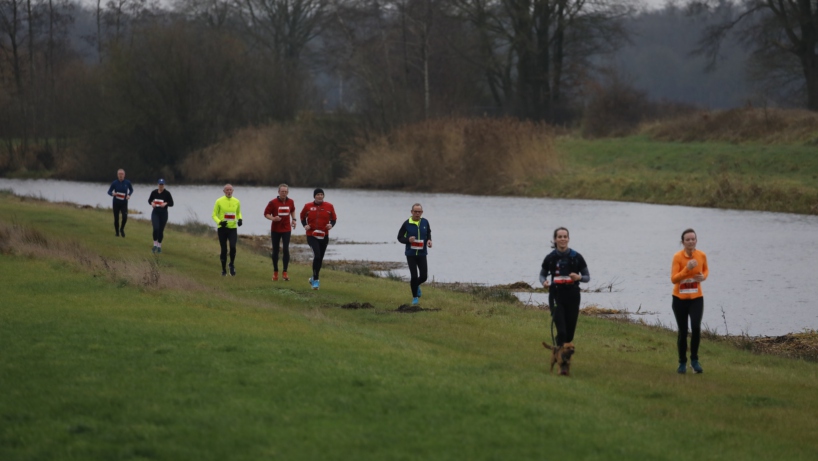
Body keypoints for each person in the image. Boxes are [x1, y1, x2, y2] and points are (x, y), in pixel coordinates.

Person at [539, 227, 590, 348]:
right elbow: (542, 275)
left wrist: (578, 278)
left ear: (568, 239)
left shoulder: (577, 257)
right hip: (556, 296)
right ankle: (562, 357)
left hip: (573, 295)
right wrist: (544, 283)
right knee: (561, 331)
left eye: (565, 237)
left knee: (569, 334)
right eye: (560, 237)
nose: (563, 239)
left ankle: (560, 351)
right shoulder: (550, 258)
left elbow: (587, 277)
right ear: (555, 240)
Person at [670, 228, 709, 374]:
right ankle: (682, 362)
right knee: (683, 331)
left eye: (693, 239)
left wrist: (703, 277)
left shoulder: (702, 255)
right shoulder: (678, 257)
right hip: (679, 299)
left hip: (696, 298)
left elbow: (706, 270)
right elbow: (674, 279)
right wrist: (687, 268)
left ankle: (694, 360)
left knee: (696, 328)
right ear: (683, 242)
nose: (691, 241)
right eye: (688, 239)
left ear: (696, 240)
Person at [300, 188, 337, 290]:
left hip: (324, 235)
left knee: (320, 258)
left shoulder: (329, 206)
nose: (320, 196)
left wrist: (331, 225)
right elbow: (302, 216)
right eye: (318, 194)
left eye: (321, 194)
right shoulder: (308, 206)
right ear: (314, 196)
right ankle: (316, 280)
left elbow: (334, 218)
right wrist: (305, 225)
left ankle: (313, 278)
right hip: (311, 234)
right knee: (317, 255)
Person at [396, 203, 432, 306]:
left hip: (422, 253)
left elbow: (428, 232)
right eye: (415, 211)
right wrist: (408, 240)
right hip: (411, 254)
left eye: (419, 212)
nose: (417, 213)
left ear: (422, 212)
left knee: (424, 276)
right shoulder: (407, 224)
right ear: (411, 212)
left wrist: (429, 240)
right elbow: (399, 237)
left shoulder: (425, 222)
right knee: (414, 276)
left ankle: (415, 285)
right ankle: (415, 297)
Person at [264, 183, 296, 281]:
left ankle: (285, 272)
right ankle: (275, 272)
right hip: (275, 230)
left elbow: (293, 210)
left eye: (285, 192)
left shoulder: (290, 201)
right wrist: (273, 218)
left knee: (286, 249)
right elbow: (266, 214)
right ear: (278, 192)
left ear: (288, 192)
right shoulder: (273, 202)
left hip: (286, 229)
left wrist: (294, 220)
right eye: (282, 191)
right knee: (275, 250)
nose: (284, 193)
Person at [212, 184, 243, 276]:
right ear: (224, 191)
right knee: (224, 249)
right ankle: (223, 270)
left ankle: (231, 264)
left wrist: (240, 219)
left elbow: (238, 213)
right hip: (222, 229)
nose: (229, 192)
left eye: (230, 190)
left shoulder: (236, 201)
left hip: (232, 228)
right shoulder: (219, 201)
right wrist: (220, 222)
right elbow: (214, 215)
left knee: (233, 247)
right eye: (227, 190)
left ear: (233, 191)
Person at [148, 179, 174, 254]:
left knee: (161, 230)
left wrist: (166, 203)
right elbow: (149, 200)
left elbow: (172, 203)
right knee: (155, 228)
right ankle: (155, 245)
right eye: (160, 184)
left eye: (162, 185)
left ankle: (159, 246)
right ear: (158, 185)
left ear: (164, 185)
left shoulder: (167, 193)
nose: (161, 186)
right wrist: (151, 203)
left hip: (163, 214)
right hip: (155, 213)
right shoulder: (154, 192)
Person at [106, 169, 133, 237]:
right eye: (119, 174)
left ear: (124, 175)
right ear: (117, 175)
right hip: (116, 203)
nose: (120, 176)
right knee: (116, 218)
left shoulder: (127, 182)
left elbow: (131, 189)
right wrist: (113, 194)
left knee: (125, 217)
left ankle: (122, 229)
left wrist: (129, 195)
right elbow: (109, 191)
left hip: (124, 203)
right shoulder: (114, 183)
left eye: (122, 174)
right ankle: (117, 232)